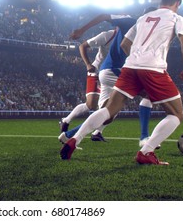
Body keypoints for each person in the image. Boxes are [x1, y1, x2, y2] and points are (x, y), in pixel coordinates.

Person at [60, 0, 183, 165]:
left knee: (108, 110)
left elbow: (124, 44)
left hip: (129, 67)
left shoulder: (142, 18)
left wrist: (136, 59)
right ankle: (146, 150)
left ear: (162, 1)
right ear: (177, 3)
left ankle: (75, 139)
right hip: (153, 68)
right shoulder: (177, 18)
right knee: (177, 113)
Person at [59, 9, 157, 147]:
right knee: (147, 95)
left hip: (111, 71)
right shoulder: (129, 23)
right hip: (112, 70)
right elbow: (104, 17)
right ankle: (145, 138)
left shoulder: (147, 33)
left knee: (108, 113)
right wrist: (81, 30)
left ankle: (69, 135)